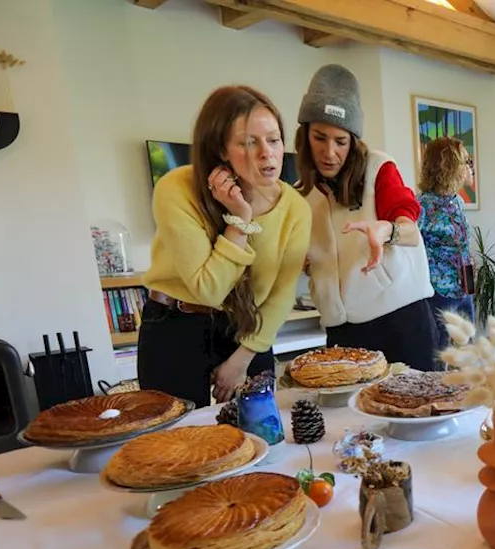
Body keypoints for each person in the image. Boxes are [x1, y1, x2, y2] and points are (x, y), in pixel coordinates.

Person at [138, 86, 311, 407]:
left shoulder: (296, 208)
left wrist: (242, 359)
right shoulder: (176, 188)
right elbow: (208, 290)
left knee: (259, 435)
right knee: (179, 446)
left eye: (273, 140)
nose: (266, 153)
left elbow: (281, 295)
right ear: (220, 149)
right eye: (249, 143)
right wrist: (240, 221)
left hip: (248, 329)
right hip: (176, 327)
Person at [295, 64, 438, 370]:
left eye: (340, 141)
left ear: (353, 140)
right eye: (320, 137)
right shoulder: (300, 195)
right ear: (305, 134)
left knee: (417, 412)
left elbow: (410, 229)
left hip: (400, 321)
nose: (329, 152)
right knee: (346, 419)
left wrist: (386, 230)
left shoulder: (378, 168)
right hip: (341, 330)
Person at [417, 137, 476, 348]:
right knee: (440, 353)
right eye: (464, 161)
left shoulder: (457, 200)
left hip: (465, 289)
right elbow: (412, 253)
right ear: (449, 166)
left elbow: (461, 242)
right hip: (439, 293)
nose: (468, 167)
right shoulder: (421, 206)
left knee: (469, 351)